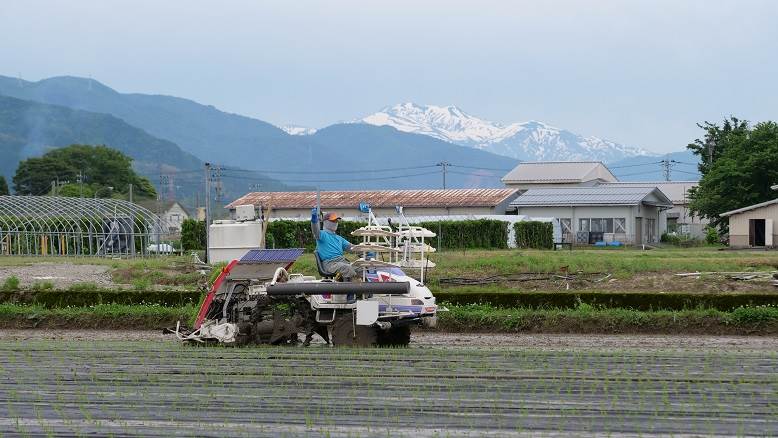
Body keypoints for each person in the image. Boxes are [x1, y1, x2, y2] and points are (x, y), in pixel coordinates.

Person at [311, 208, 358, 280]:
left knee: (361, 268)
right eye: (333, 220)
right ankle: (348, 290)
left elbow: (352, 248)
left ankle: (366, 290)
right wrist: (314, 220)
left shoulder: (339, 238)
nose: (335, 222)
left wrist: (365, 250)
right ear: (326, 222)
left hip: (342, 262)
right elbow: (315, 230)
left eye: (336, 220)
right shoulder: (322, 234)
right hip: (330, 264)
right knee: (346, 268)